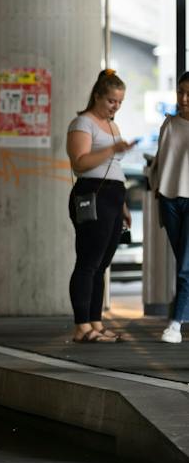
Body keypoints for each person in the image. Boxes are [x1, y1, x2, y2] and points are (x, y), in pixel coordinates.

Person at [65, 68, 138, 344]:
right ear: (97, 96)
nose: (115, 106)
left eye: (119, 102)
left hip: (112, 197)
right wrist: (112, 149)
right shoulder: (83, 123)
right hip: (91, 194)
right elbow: (80, 162)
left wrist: (123, 206)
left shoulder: (112, 125)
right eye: (110, 101)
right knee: (88, 262)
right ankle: (81, 327)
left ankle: (95, 322)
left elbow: (113, 168)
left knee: (101, 264)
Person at [148, 70, 189, 345]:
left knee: (186, 267)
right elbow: (161, 163)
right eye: (180, 92)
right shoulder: (169, 125)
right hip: (169, 200)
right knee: (183, 264)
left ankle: (175, 324)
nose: (184, 98)